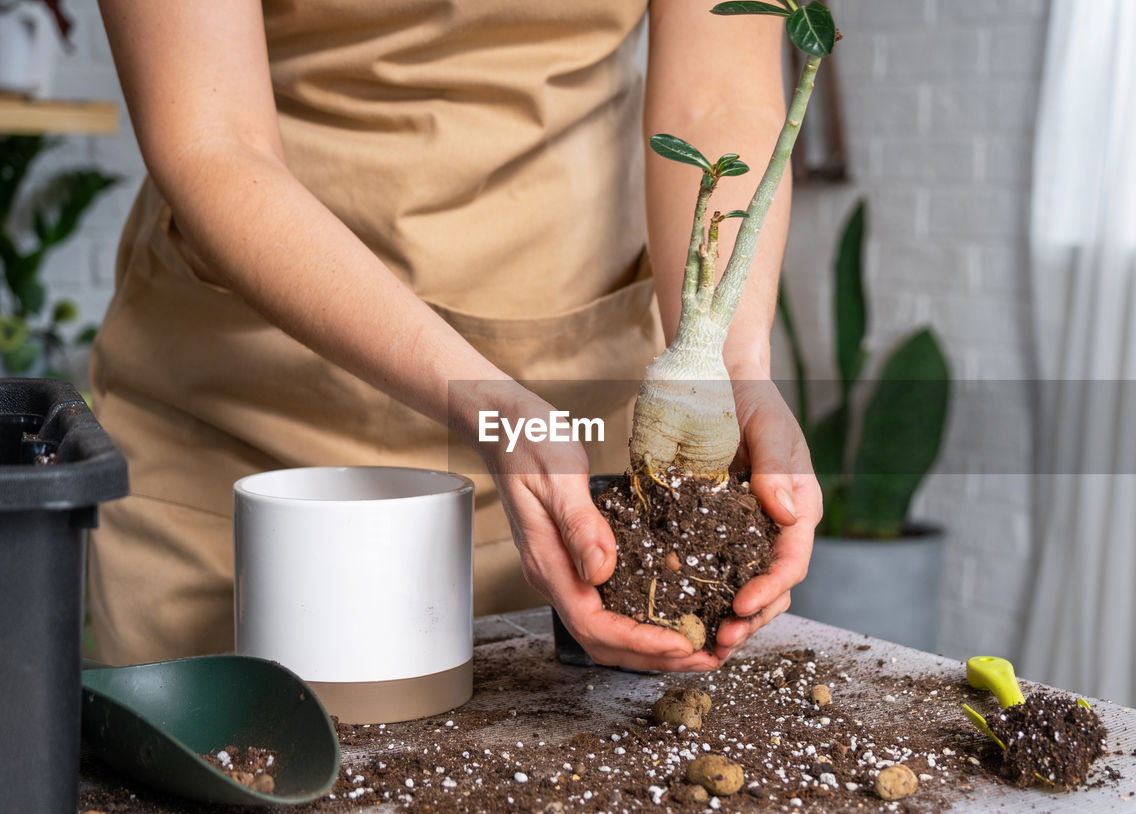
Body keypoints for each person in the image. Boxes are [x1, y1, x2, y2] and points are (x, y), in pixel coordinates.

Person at [89, 0, 821, 673]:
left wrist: (728, 368)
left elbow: (716, 97)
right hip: (246, 419)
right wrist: (487, 403)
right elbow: (216, 141)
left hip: (568, 408)